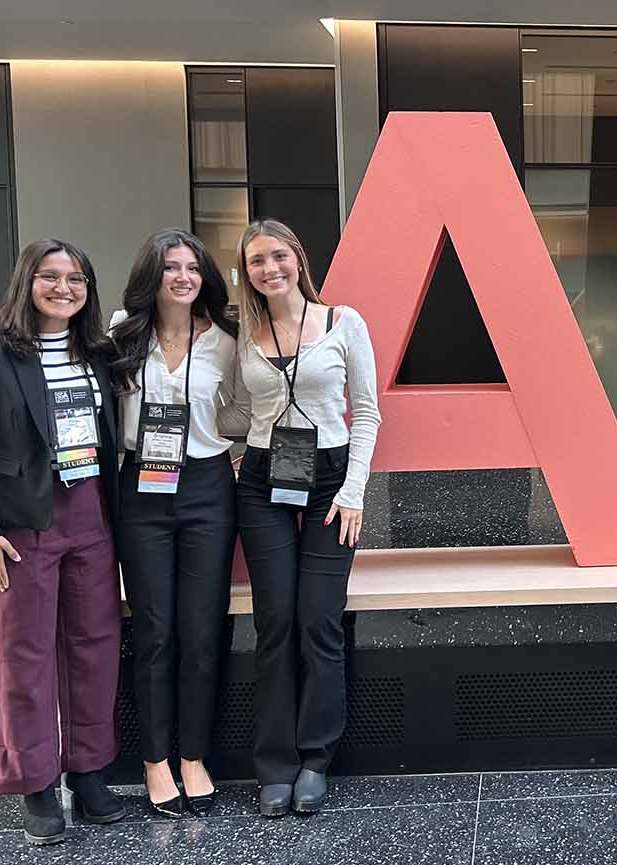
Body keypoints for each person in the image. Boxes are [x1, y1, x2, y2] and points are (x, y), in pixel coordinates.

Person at [0, 238, 128, 845]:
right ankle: (37, 784)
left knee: (93, 649)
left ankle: (88, 772)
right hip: (18, 527)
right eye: (50, 277)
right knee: (22, 658)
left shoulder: (96, 352)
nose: (63, 288)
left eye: (76, 278)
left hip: (91, 516)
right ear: (26, 282)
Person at [232, 219, 380, 817]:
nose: (269, 269)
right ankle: (275, 763)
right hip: (264, 480)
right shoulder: (240, 332)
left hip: (330, 483)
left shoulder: (344, 323)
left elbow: (367, 412)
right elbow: (235, 407)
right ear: (246, 274)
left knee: (318, 621)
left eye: (278, 256)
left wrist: (353, 492)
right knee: (275, 624)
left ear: (298, 257)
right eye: (255, 262)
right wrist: (239, 446)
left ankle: (315, 758)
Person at [109, 228, 247, 818]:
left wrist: (222, 433)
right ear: (153, 275)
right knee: (156, 630)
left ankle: (193, 755)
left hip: (208, 487)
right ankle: (154, 759)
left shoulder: (226, 340)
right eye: (171, 267)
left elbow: (243, 408)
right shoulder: (120, 332)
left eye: (193, 267)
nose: (183, 277)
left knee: (201, 631)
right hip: (141, 488)